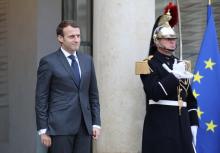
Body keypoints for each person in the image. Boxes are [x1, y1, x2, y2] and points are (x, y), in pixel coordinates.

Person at [140, 3, 199, 153]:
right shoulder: (147, 64)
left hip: (183, 125)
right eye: (167, 38)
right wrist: (174, 76)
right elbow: (154, 92)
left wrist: (193, 124)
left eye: (173, 38)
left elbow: (190, 99)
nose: (172, 41)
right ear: (157, 41)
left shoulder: (181, 64)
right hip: (161, 125)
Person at [35, 20, 101, 153]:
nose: (76, 40)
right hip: (59, 128)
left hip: (84, 127)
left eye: (78, 36)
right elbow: (41, 98)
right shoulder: (48, 62)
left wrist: (96, 123)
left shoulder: (87, 61)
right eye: (72, 36)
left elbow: (93, 94)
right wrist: (43, 130)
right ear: (60, 38)